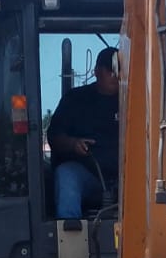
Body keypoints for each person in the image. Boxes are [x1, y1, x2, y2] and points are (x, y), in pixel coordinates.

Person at [47, 46, 120, 219]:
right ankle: (71, 236)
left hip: (129, 176)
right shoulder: (75, 99)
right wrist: (73, 144)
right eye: (110, 70)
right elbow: (54, 137)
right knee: (66, 176)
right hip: (88, 176)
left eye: (119, 70)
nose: (115, 76)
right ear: (97, 71)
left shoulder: (136, 99)